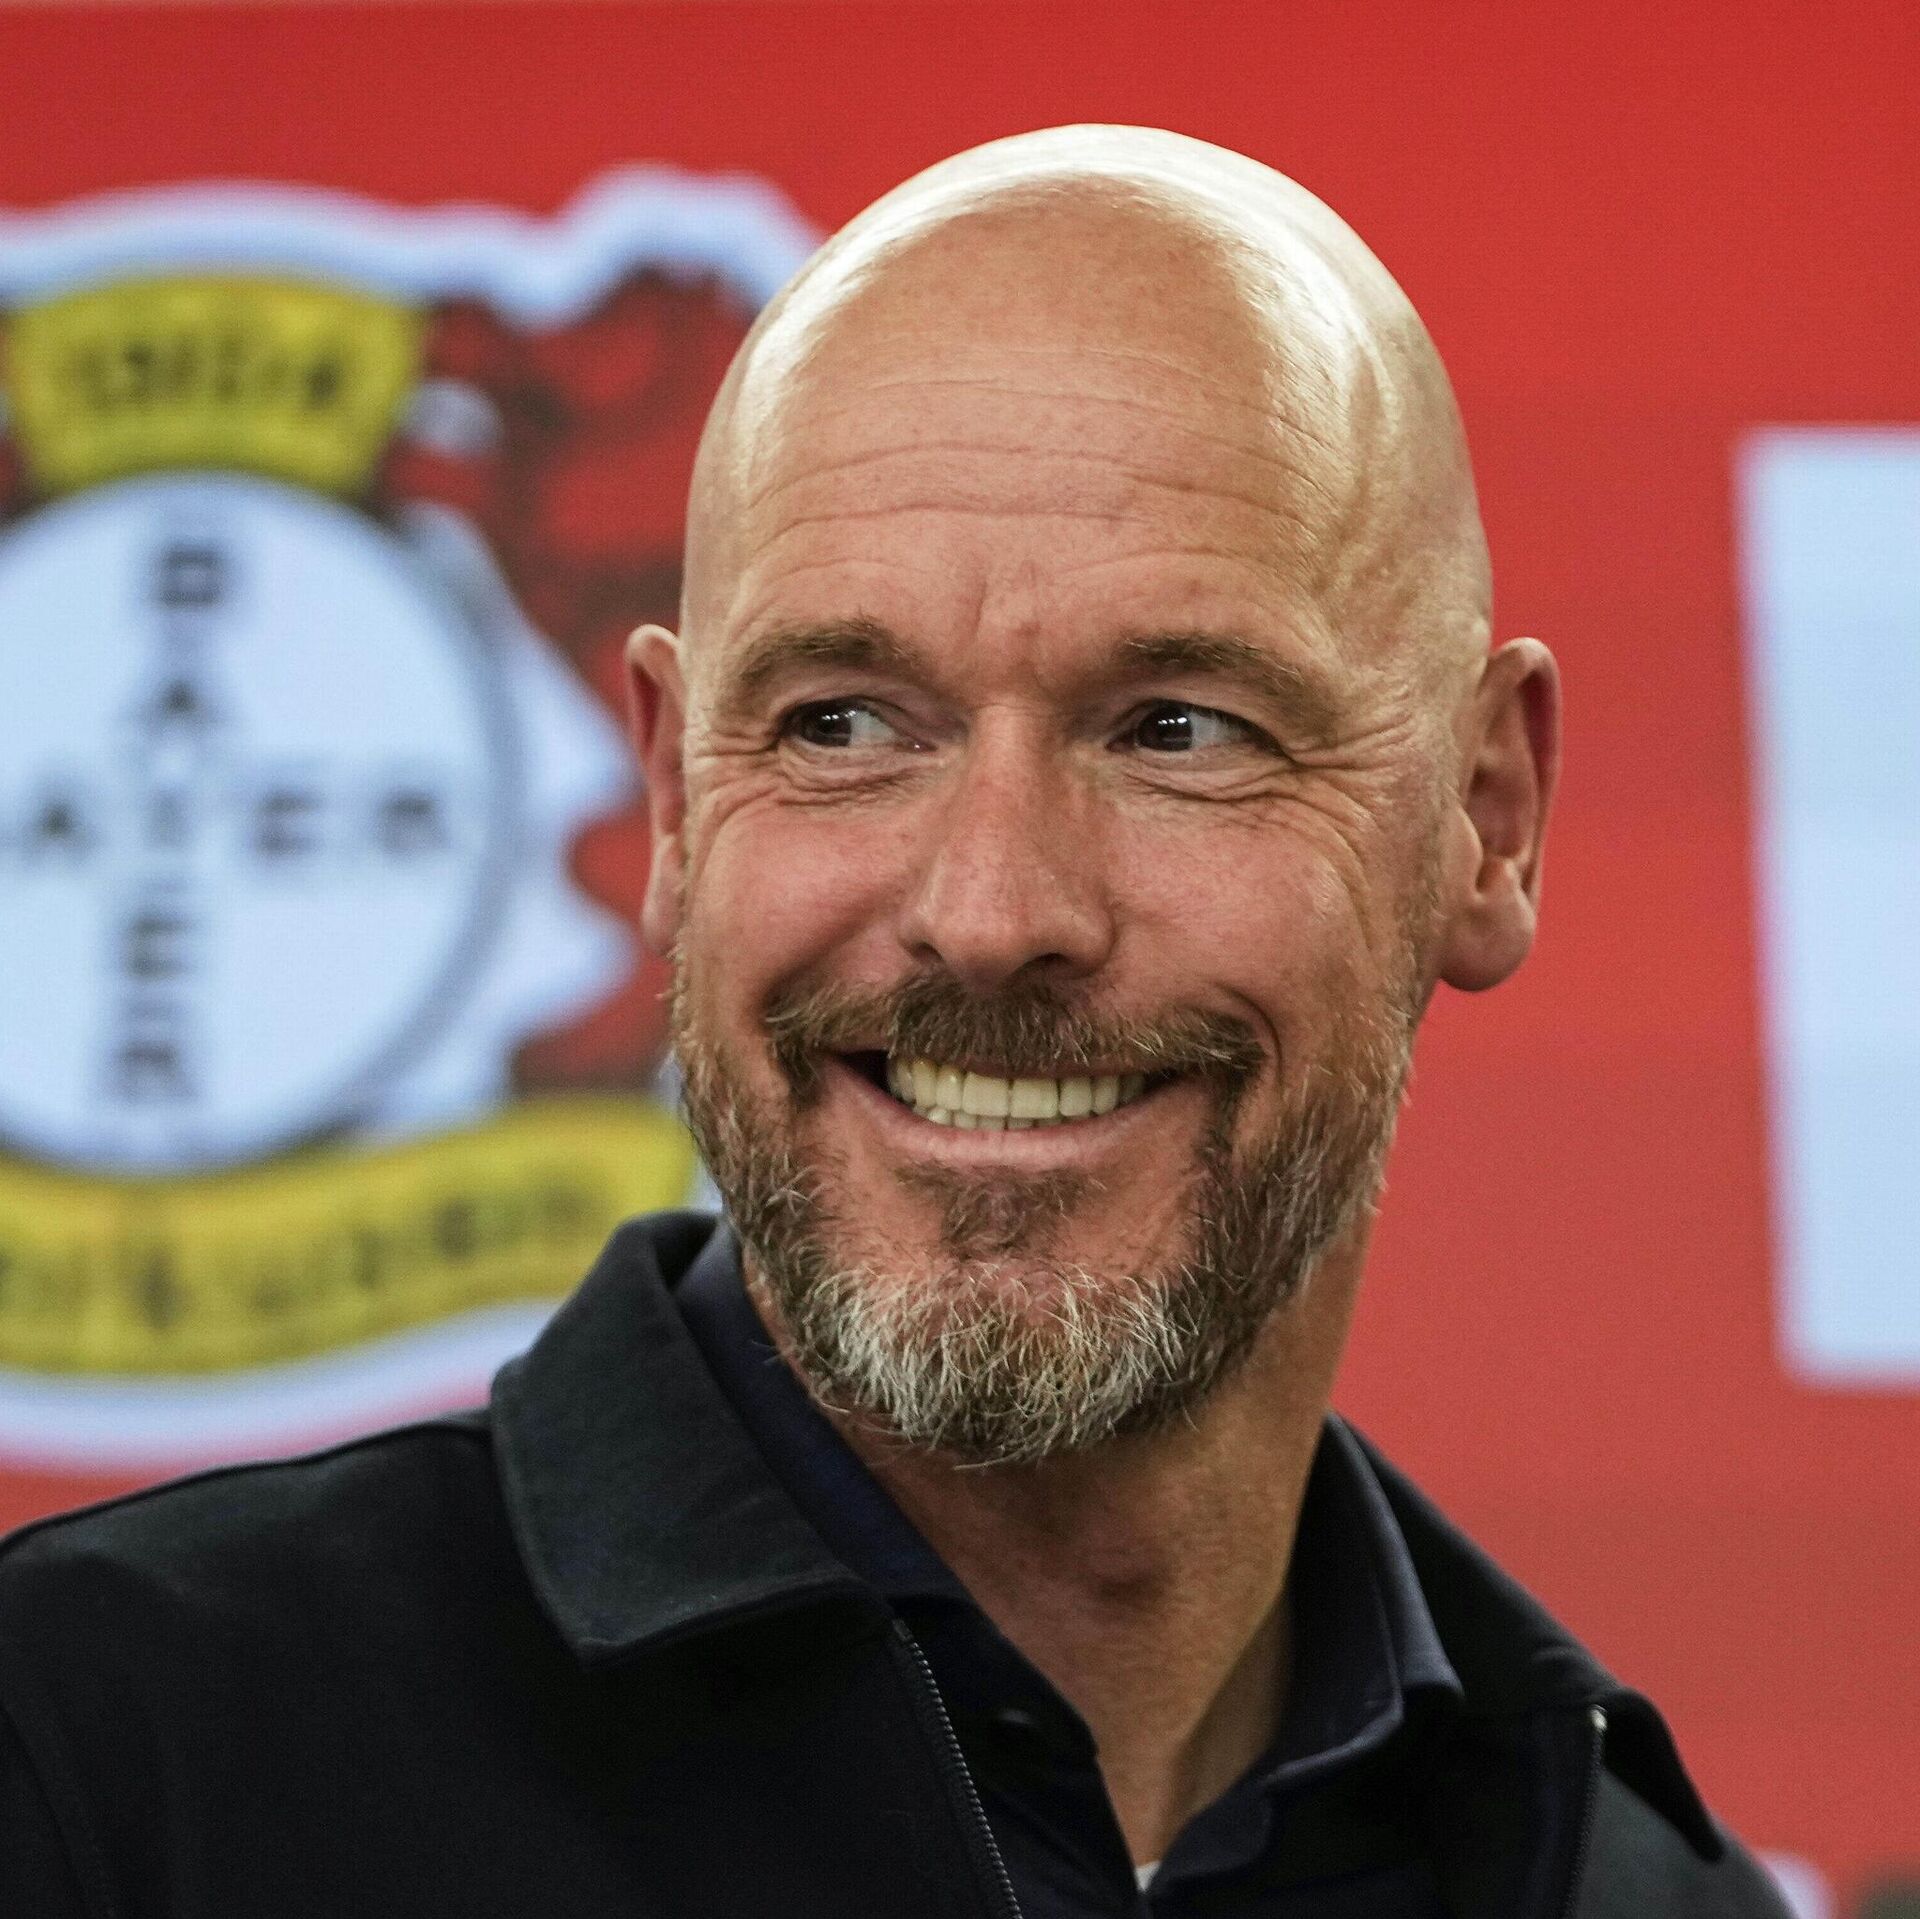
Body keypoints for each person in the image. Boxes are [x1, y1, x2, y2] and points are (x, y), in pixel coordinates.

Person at [0, 126, 1787, 1918]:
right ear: (675, 804)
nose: (993, 913)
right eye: (843, 724)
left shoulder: (1633, 1894)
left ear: (1486, 819)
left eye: (1178, 728)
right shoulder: (96, 1767)